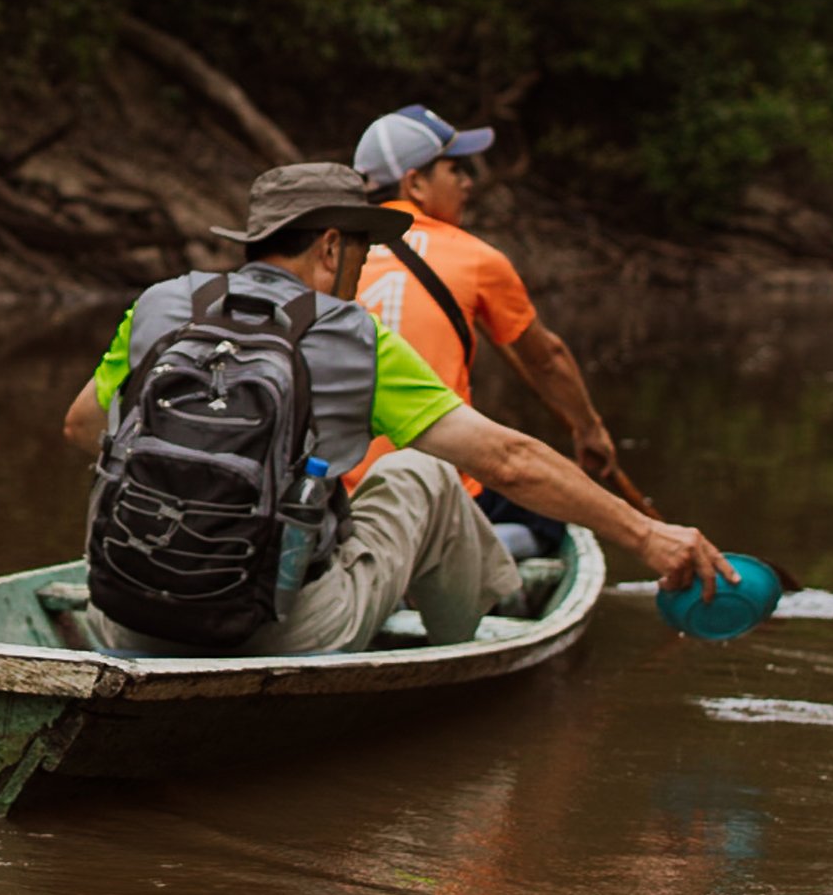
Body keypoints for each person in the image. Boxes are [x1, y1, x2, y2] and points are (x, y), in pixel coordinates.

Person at [60, 162, 726, 657]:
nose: (365, 263)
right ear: (328, 246)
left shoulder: (159, 305)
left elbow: (82, 426)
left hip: (126, 617)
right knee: (424, 474)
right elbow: (509, 461)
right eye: (362, 247)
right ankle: (471, 642)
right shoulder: (354, 336)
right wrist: (645, 534)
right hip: (282, 631)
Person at [349, 103, 617, 554]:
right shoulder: (473, 257)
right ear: (415, 183)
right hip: (434, 493)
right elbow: (546, 358)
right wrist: (589, 429)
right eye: (455, 170)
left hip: (338, 489)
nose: (468, 184)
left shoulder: (329, 253)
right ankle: (473, 555)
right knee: (552, 517)